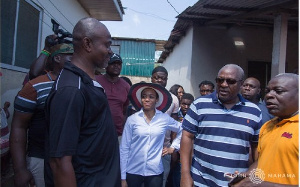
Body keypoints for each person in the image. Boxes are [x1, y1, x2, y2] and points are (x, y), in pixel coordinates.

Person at [45, 17, 121, 187]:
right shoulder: (71, 90)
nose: (110, 51)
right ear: (87, 44)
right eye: (107, 45)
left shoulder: (87, 82)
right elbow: (60, 162)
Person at [180, 64, 262, 187]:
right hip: (201, 181)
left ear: (241, 84)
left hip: (236, 183)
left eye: (230, 81)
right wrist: (185, 174)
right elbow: (187, 137)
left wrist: (252, 177)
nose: (224, 84)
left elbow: (256, 147)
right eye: (220, 80)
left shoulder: (254, 112)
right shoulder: (199, 105)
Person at [10, 43, 73, 187]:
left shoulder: (81, 85)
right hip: (40, 160)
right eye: (71, 56)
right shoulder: (34, 86)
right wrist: (20, 170)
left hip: (72, 161)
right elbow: (19, 127)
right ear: (57, 58)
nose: (76, 60)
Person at [235, 73, 298, 186]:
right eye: (268, 91)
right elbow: (262, 159)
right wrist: (246, 176)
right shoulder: (268, 125)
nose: (269, 95)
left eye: (278, 91)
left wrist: (266, 185)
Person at [120, 82, 182, 187]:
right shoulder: (132, 120)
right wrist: (122, 178)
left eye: (151, 97)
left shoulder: (164, 118)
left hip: (155, 171)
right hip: (133, 170)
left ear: (157, 100)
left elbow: (182, 129)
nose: (147, 99)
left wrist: (173, 147)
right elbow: (124, 148)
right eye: (144, 97)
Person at [151, 66, 180, 187]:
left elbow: (176, 128)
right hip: (142, 149)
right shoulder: (143, 96)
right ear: (151, 78)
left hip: (163, 150)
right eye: (156, 78)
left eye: (163, 78)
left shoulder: (173, 99)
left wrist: (173, 149)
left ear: (167, 80)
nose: (159, 80)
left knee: (161, 182)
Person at [96, 53, 130, 142]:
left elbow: (125, 110)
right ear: (106, 65)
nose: (116, 66)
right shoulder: (95, 81)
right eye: (113, 63)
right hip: (96, 132)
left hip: (117, 134)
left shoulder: (126, 86)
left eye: (119, 64)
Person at [173, 93, 194, 187]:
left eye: (189, 104)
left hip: (188, 153)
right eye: (183, 104)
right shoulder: (175, 114)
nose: (186, 107)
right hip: (174, 150)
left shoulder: (194, 116)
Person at [1, 101, 11, 176]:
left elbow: (7, 115)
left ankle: (5, 169)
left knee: (6, 157)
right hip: (3, 141)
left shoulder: (2, 111)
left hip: (6, 139)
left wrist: (5, 108)